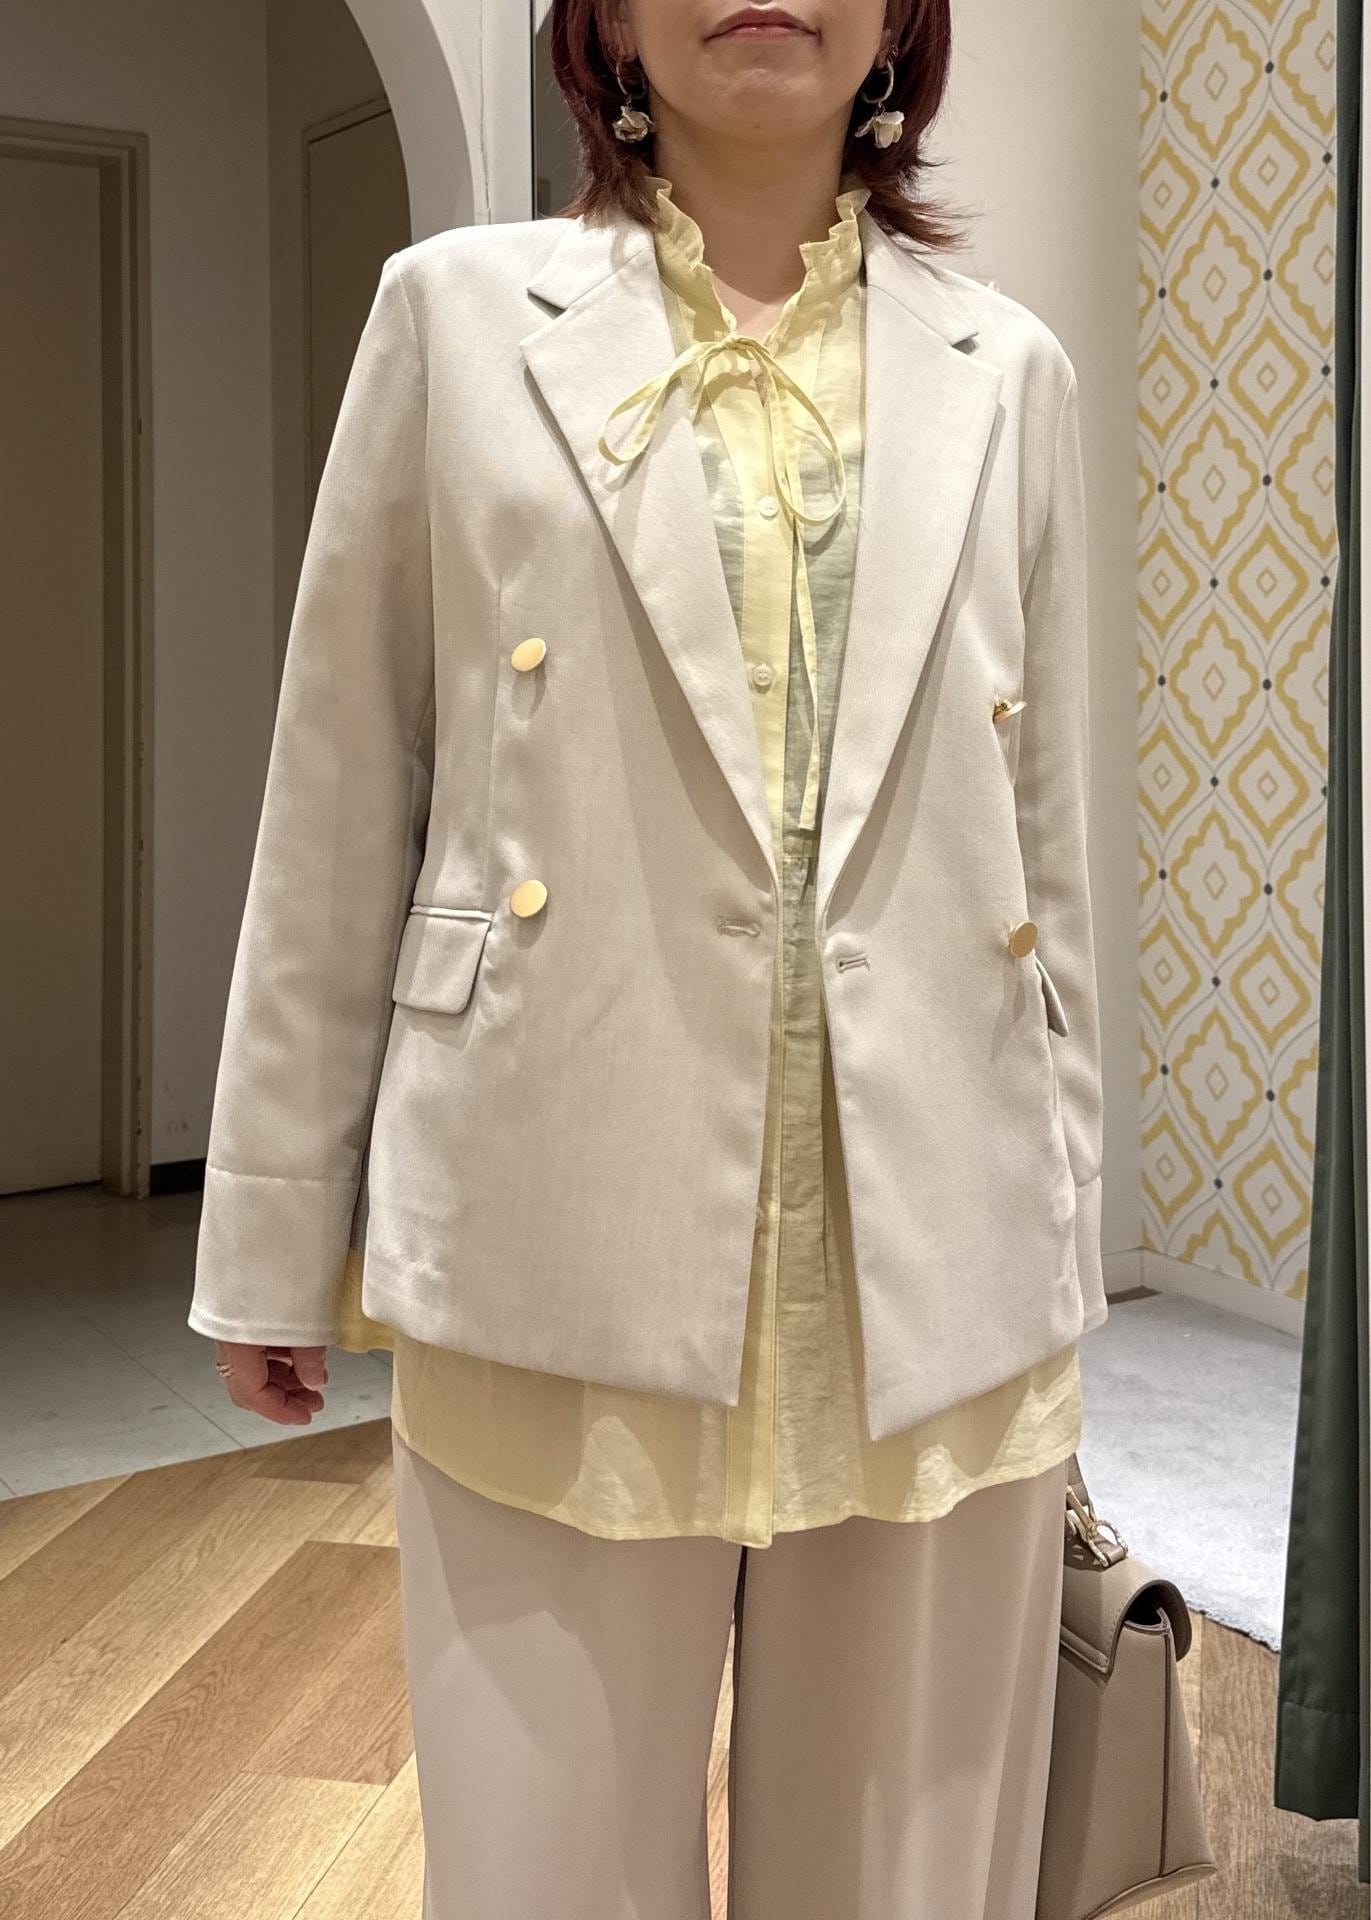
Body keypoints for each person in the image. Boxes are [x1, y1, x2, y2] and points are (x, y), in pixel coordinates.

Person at [188, 2, 1106, 1915]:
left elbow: (1046, 850)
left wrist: (1060, 1232)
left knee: (905, 1886)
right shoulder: (452, 321)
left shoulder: (1009, 370)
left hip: (935, 1258)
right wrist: (274, 1226)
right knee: (549, 1878)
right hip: (551, 1222)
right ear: (599, 19)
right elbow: (343, 783)